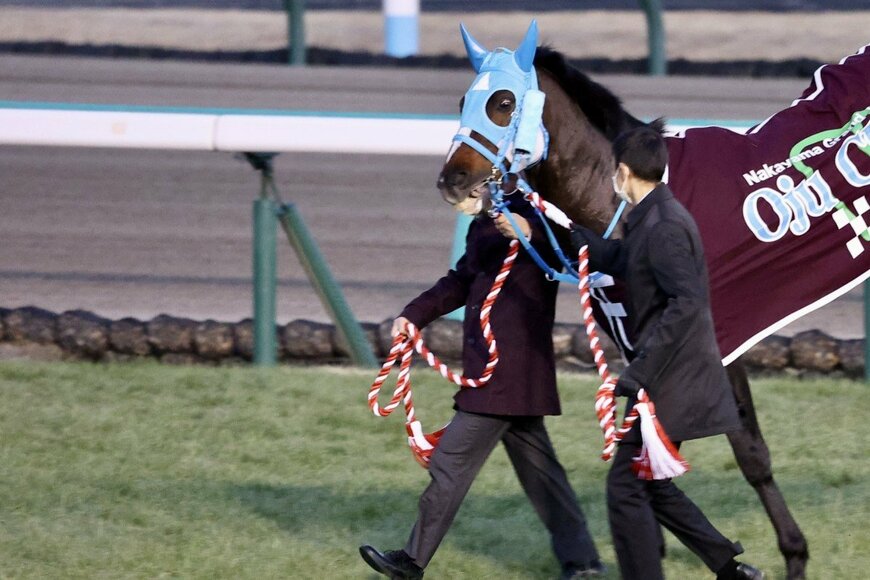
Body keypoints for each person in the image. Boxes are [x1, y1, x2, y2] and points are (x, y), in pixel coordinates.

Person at [360, 197, 604, 579]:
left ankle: (411, 562)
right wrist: (414, 314)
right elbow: (462, 280)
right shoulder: (484, 223)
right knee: (543, 476)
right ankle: (584, 562)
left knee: (449, 463)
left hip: (504, 376)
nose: (461, 203)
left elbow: (569, 251)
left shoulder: (540, 215)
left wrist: (529, 232)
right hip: (510, 378)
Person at [570, 125, 764, 580]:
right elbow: (621, 261)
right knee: (650, 482)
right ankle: (729, 569)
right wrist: (561, 231)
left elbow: (687, 304)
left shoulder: (665, 227)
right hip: (670, 376)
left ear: (622, 171)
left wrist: (639, 372)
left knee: (625, 487)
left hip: (674, 381)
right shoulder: (653, 217)